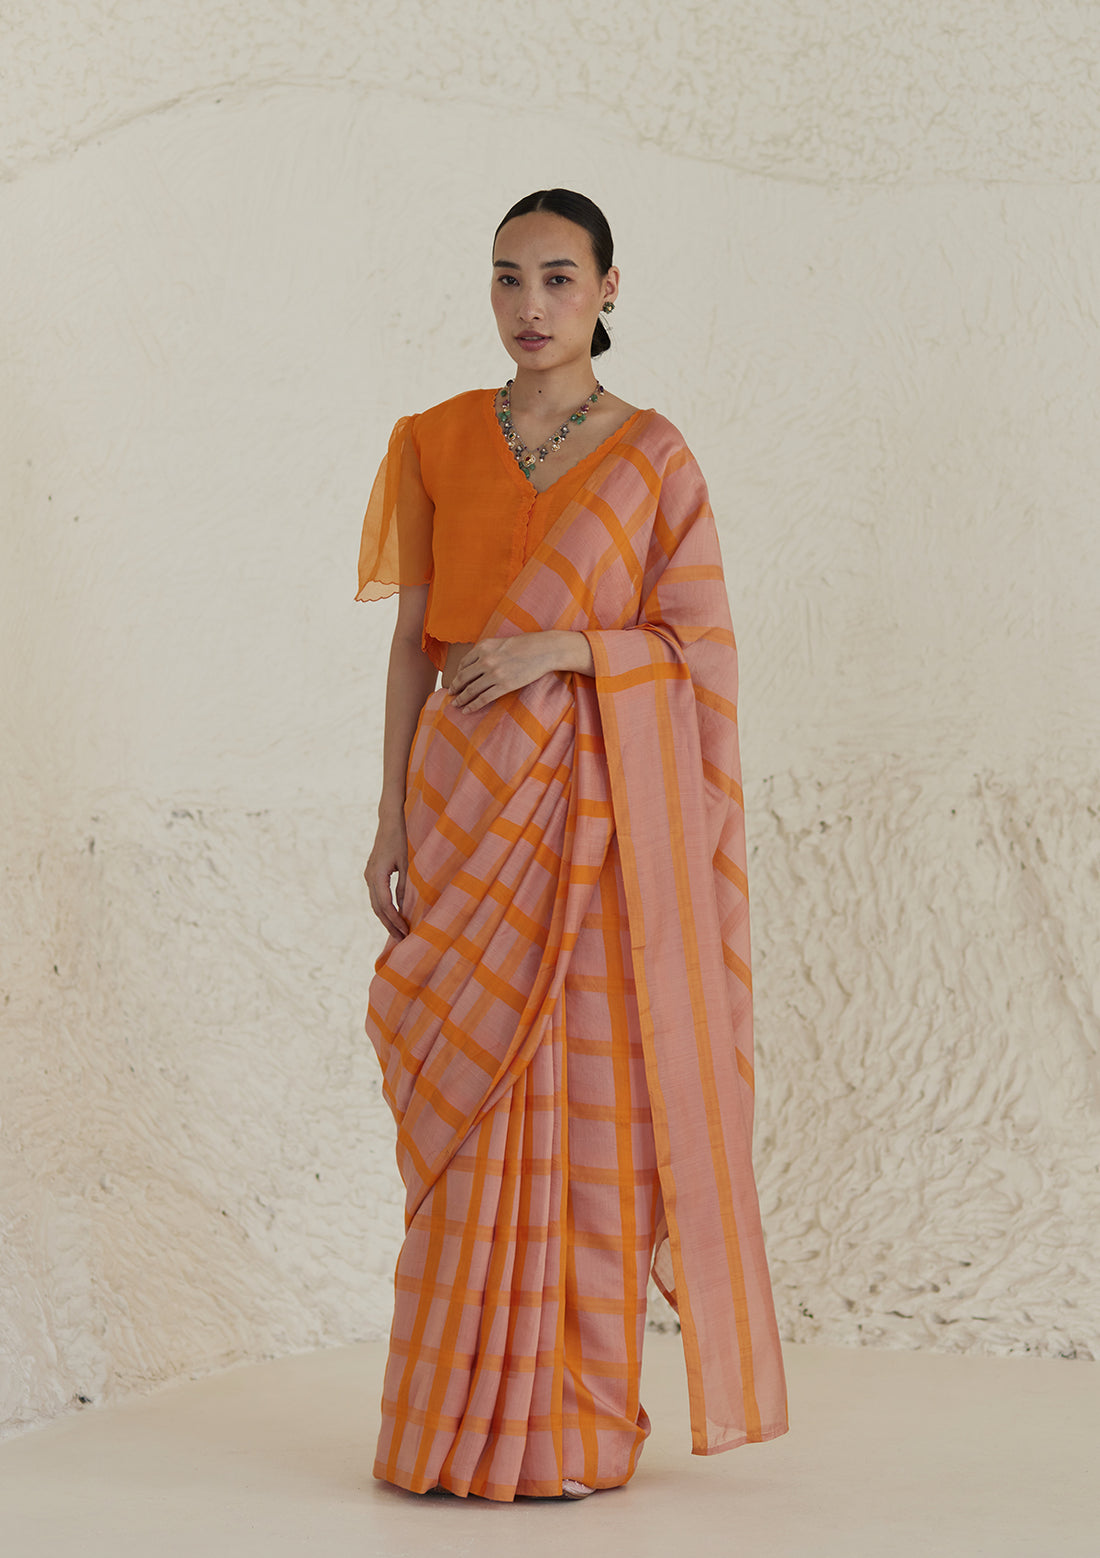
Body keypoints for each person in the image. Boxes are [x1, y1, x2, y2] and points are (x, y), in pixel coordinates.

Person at [356, 188, 788, 1503]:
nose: (529, 305)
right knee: (470, 1109)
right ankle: (449, 1424)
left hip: (600, 828)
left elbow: (698, 657)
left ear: (608, 290)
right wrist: (389, 817)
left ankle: (575, 1417)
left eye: (557, 278)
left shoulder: (654, 458)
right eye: (506, 279)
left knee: (589, 1102)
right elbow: (412, 644)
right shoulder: (432, 442)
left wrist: (569, 648)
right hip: (467, 803)